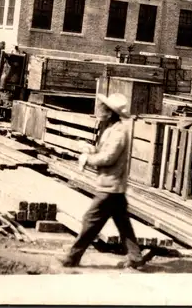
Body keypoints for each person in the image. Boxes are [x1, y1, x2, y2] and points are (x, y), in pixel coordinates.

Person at [60, 93, 145, 269]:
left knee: (90, 220)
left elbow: (108, 158)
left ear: (110, 112)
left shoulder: (119, 132)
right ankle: (136, 257)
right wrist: (90, 149)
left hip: (110, 185)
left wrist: (87, 159)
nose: (99, 111)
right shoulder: (110, 129)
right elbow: (104, 152)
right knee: (123, 223)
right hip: (112, 186)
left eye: (102, 109)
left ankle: (71, 257)